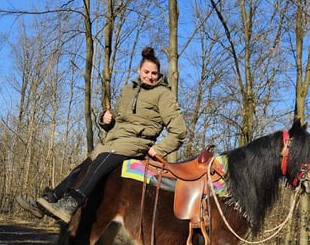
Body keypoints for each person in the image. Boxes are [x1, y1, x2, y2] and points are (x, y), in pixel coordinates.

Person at [17, 46, 187, 224]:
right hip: (115, 139)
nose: (150, 76)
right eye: (146, 72)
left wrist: (158, 149)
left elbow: (179, 130)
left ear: (159, 74)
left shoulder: (163, 94)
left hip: (137, 141)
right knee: (85, 164)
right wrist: (106, 120)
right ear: (138, 70)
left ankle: (71, 203)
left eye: (154, 73)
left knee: (101, 159)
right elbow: (118, 119)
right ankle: (49, 200)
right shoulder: (128, 90)